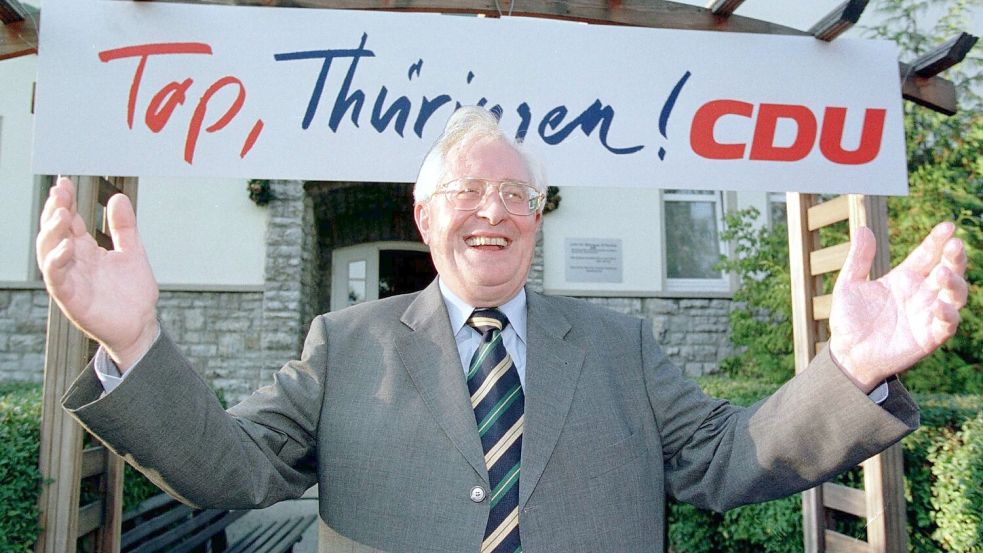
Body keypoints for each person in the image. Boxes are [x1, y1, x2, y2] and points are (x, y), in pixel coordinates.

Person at [38, 107, 967, 553]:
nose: (494, 210)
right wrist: (137, 344)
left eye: (516, 193)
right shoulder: (344, 343)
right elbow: (231, 470)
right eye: (468, 190)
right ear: (423, 214)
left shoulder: (620, 347)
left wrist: (848, 368)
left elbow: (730, 458)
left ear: (537, 215)